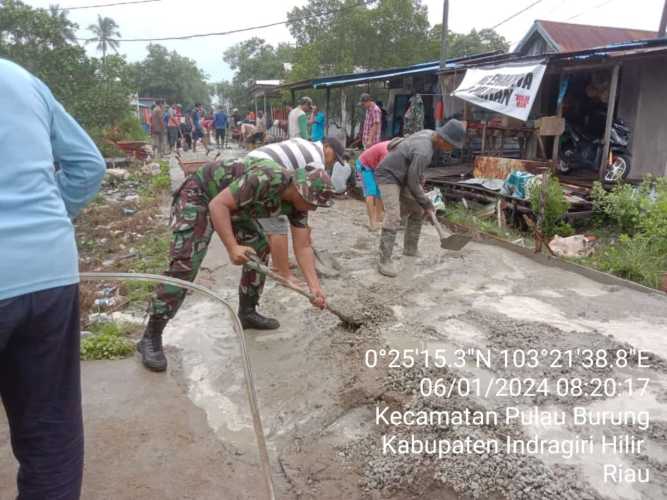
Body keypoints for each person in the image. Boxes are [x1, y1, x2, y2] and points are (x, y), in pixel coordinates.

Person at [0, 58, 106, 499]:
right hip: (49, 276)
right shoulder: (19, 77)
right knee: (51, 437)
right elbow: (89, 165)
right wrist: (43, 225)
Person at [138, 157, 336, 372]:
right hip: (201, 196)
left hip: (234, 206)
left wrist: (314, 287)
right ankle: (151, 335)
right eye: (313, 203)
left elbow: (303, 246)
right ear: (300, 191)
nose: (313, 209)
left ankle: (247, 311)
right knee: (184, 265)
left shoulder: (299, 206)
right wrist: (232, 247)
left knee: (258, 247)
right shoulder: (267, 177)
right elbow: (217, 205)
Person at [248, 136, 345, 284]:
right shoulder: (316, 161)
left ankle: (278, 263)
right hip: (260, 171)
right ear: (326, 146)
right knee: (277, 226)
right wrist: (304, 232)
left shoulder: (307, 144)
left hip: (255, 164)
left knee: (275, 221)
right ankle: (284, 274)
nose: (332, 163)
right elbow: (308, 197)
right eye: (334, 157)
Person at [375, 119, 466, 277]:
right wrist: (426, 202)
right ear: (442, 139)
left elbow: (413, 173)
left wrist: (422, 200)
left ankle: (410, 249)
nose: (450, 149)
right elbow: (412, 181)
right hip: (388, 175)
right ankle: (384, 261)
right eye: (450, 145)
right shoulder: (424, 151)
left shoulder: (429, 134)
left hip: (402, 175)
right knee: (393, 215)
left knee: (417, 210)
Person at [357, 140, 390, 230]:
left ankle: (378, 217)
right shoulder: (386, 152)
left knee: (379, 191)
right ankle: (372, 222)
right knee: (371, 192)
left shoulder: (395, 149)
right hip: (365, 164)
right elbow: (381, 171)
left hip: (374, 165)